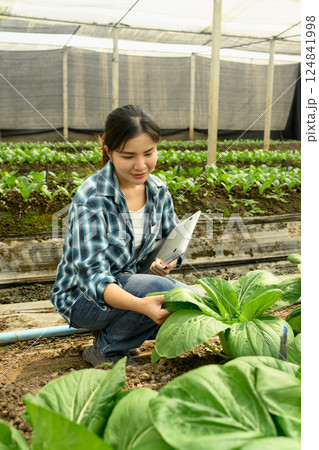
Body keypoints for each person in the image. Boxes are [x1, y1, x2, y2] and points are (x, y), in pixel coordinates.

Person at [50, 104, 200, 367]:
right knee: (167, 295)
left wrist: (168, 262)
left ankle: (119, 333)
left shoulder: (158, 190)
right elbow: (94, 279)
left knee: (175, 302)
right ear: (109, 152)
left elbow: (173, 239)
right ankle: (106, 350)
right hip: (82, 298)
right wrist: (142, 305)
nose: (140, 165)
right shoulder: (92, 199)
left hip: (126, 282)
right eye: (128, 156)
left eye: (149, 153)